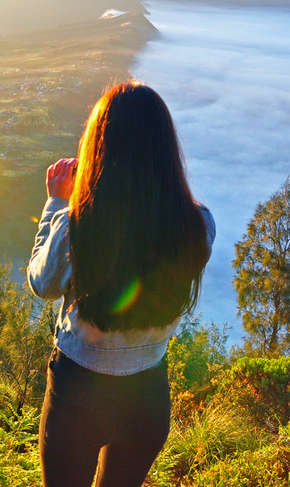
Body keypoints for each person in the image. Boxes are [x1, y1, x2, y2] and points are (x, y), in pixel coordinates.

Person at [27, 81, 215, 487]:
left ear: (99, 148)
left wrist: (57, 203)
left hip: (77, 392)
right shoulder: (198, 225)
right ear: (165, 149)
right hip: (147, 394)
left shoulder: (78, 226)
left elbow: (42, 283)